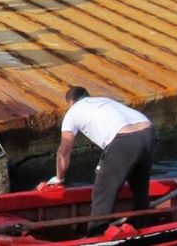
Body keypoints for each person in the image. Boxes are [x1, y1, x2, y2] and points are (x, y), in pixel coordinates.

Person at [48, 86, 156, 236]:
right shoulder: (104, 100)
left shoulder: (72, 112)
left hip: (124, 139)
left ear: (71, 102)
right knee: (140, 189)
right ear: (88, 96)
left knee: (101, 193)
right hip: (148, 132)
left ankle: (96, 235)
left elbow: (64, 151)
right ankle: (142, 226)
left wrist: (59, 178)